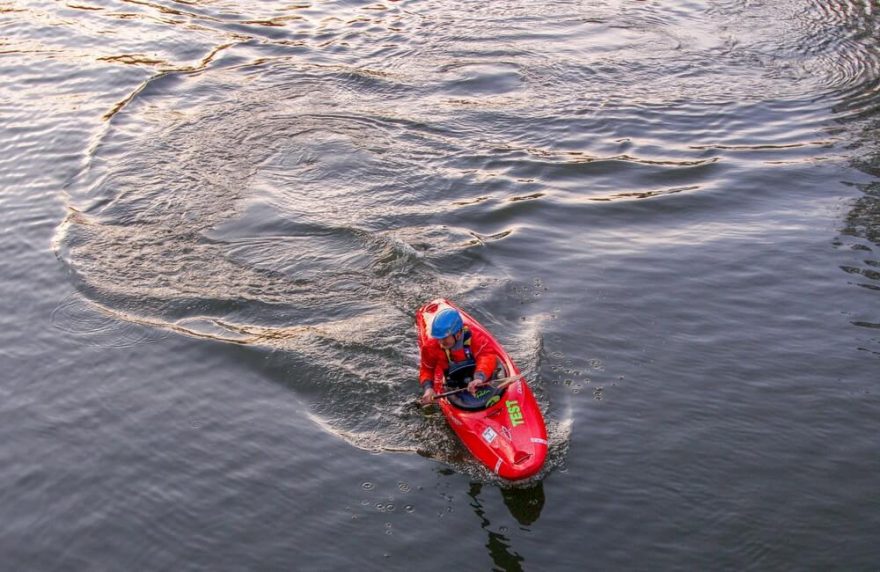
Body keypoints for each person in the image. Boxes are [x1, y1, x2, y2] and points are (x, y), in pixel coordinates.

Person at [419, 307, 498, 406]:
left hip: (479, 380)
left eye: (444, 338)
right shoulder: (431, 347)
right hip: (455, 385)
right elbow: (427, 369)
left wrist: (479, 378)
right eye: (438, 338)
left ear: (458, 333)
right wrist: (428, 389)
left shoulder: (476, 338)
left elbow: (487, 357)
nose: (440, 343)